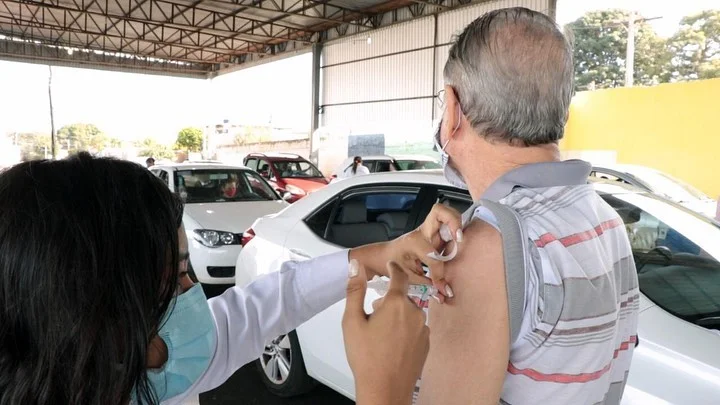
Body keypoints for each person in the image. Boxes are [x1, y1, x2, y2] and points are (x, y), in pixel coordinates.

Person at [0, 152, 461, 405]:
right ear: (86, 312)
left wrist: (379, 255)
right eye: (178, 276)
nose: (193, 294)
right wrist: (385, 392)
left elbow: (271, 301)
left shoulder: (161, 360)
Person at [418, 8, 639, 405]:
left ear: (452, 109)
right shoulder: (606, 221)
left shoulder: (486, 245)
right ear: (562, 109)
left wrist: (377, 374)